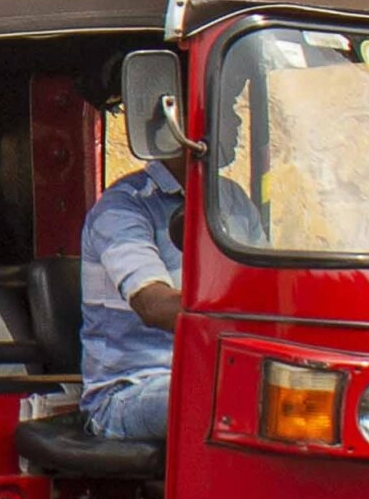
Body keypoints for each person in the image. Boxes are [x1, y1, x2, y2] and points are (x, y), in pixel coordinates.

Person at [80, 130, 264, 444]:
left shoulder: (233, 200)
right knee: (231, 399)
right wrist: (247, 309)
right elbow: (153, 305)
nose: (233, 122)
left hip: (216, 372)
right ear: (175, 125)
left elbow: (264, 287)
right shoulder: (123, 207)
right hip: (130, 390)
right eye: (222, 104)